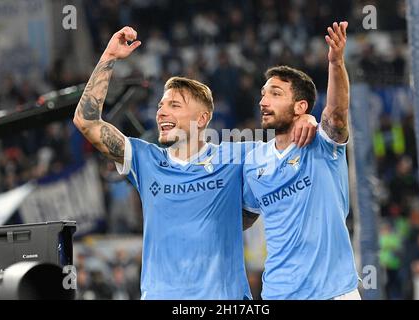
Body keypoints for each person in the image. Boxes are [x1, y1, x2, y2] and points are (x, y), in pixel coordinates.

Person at [73, 26, 317, 299]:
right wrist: (109, 56)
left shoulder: (237, 157)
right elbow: (86, 121)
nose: (162, 111)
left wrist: (305, 118)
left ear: (202, 119)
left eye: (175, 105)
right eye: (160, 106)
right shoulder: (146, 159)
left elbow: (284, 149)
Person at [243, 21, 360, 299]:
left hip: (333, 292)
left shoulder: (322, 143)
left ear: (300, 106)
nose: (263, 101)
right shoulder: (253, 161)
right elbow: (243, 217)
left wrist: (335, 62)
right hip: (279, 294)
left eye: (275, 94)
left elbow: (337, 114)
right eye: (263, 94)